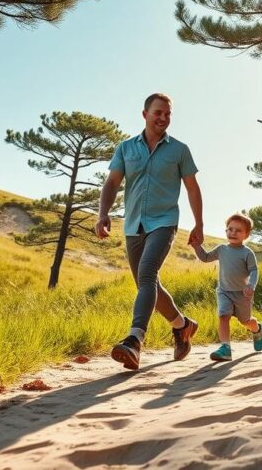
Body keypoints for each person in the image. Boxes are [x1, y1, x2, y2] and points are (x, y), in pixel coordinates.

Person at [95, 93, 204, 370]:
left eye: (168, 114)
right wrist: (103, 213)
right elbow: (112, 183)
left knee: (147, 274)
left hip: (164, 221)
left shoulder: (179, 150)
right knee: (148, 284)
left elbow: (192, 188)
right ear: (145, 114)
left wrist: (199, 223)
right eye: (158, 113)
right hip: (133, 224)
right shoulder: (126, 148)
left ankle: (134, 340)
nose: (163, 118)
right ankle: (182, 326)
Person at [191, 213, 262, 361]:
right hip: (224, 291)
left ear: (246, 234)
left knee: (245, 321)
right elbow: (205, 258)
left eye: (238, 230)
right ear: (226, 231)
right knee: (223, 316)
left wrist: (251, 285)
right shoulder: (221, 249)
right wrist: (196, 246)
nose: (233, 232)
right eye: (230, 229)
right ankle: (225, 348)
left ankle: (257, 329)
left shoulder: (247, 253)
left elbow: (254, 271)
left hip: (243, 294)